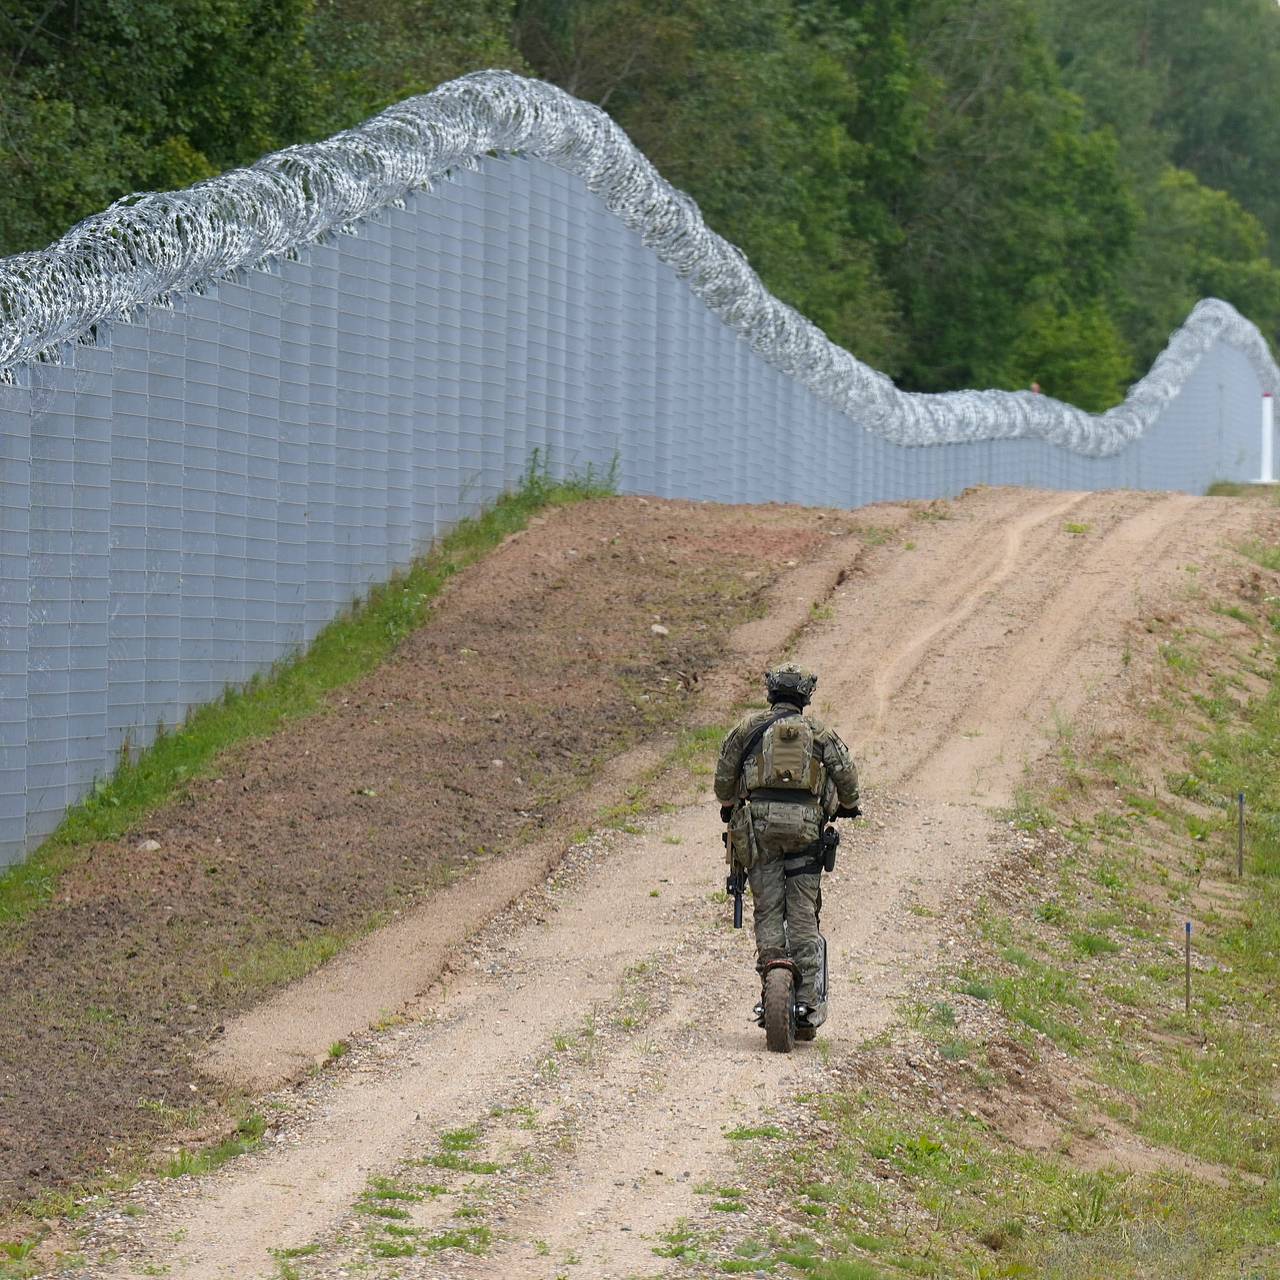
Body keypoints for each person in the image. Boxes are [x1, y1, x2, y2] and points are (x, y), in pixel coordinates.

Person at [714, 663, 860, 1035]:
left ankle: (771, 983)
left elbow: (723, 780)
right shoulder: (818, 732)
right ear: (805, 698)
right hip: (806, 831)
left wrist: (731, 805)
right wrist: (848, 804)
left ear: (771, 693)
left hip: (759, 831)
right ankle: (808, 1003)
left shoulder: (748, 729)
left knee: (767, 908)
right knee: (802, 913)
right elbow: (847, 776)